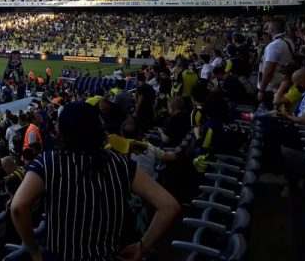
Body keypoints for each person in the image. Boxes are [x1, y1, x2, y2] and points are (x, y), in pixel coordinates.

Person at [11, 102, 180, 261]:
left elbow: (18, 207)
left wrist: (33, 249)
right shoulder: (120, 164)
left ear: (62, 132)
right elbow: (169, 206)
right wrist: (142, 247)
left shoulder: (49, 163)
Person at [258, 18, 296, 110]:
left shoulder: (274, 46)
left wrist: (261, 90)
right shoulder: (288, 40)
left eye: (268, 27)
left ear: (272, 30)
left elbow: (268, 72)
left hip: (271, 89)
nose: (266, 29)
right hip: (282, 85)